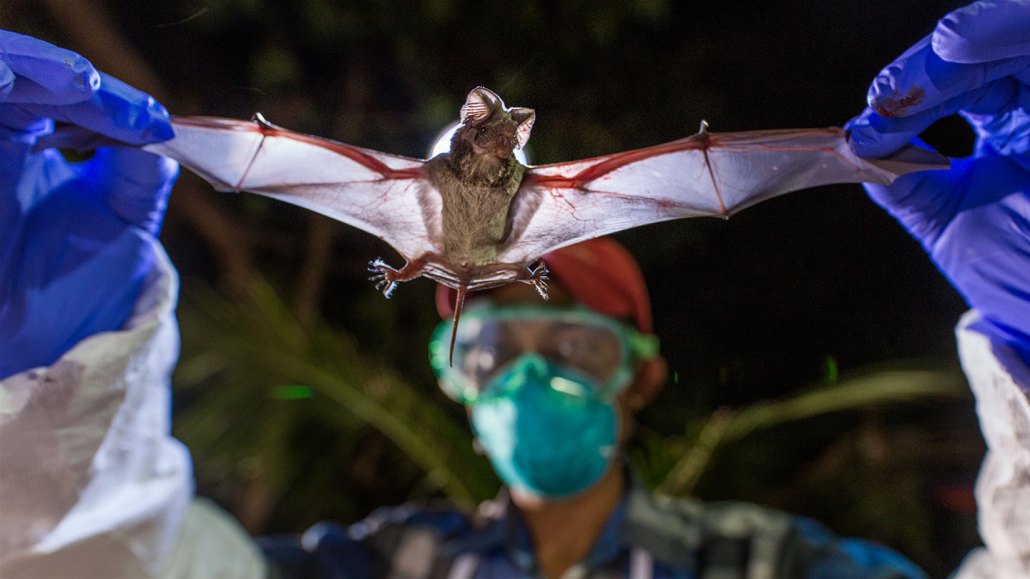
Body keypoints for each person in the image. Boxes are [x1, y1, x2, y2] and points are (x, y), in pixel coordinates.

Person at [0, 1, 1027, 576]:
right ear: (456, 376)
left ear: (639, 375)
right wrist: (46, 421)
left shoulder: (766, 564)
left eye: (576, 345)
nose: (531, 373)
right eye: (492, 349)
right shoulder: (371, 562)